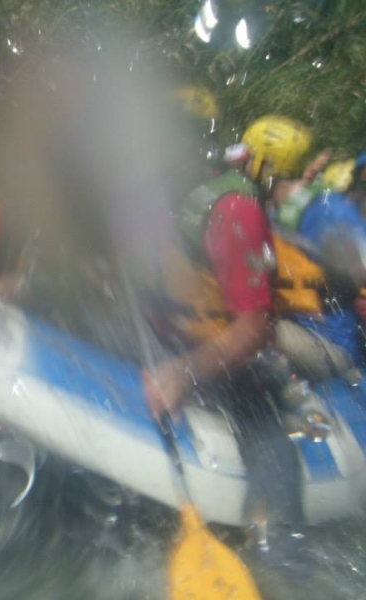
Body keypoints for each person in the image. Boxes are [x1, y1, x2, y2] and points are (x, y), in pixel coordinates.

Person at [142, 115, 312, 566]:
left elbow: (253, 328)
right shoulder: (148, 202)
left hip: (232, 356)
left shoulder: (233, 209)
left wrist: (186, 371)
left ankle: (284, 563)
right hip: (169, 338)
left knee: (265, 432)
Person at [272, 150, 366, 381]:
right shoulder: (339, 216)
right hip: (324, 340)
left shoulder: (334, 212)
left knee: (255, 331)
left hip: (331, 348)